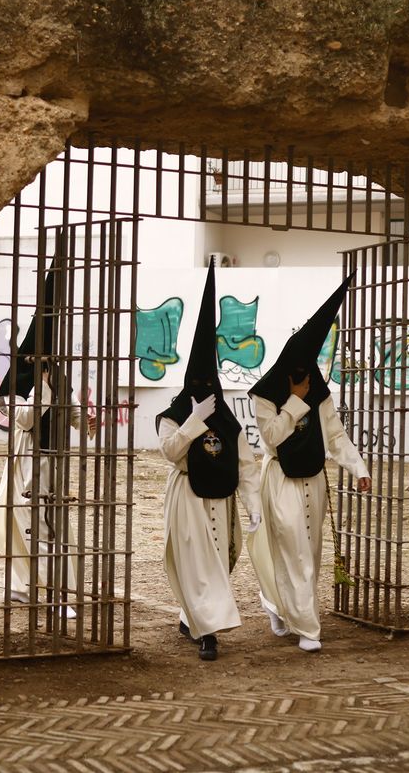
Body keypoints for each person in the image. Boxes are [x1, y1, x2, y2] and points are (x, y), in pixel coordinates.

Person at [249, 273, 371, 652]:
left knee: (310, 553)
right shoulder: (266, 395)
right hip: (280, 480)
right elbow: (272, 437)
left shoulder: (319, 394)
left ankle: (278, 605)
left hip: (313, 482)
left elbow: (335, 437)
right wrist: (295, 401)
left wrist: (359, 468)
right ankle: (308, 628)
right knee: (292, 549)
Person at [157, 260, 261, 661]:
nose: (202, 394)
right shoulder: (173, 414)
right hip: (188, 499)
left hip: (222, 502)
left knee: (219, 562)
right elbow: (169, 452)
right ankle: (209, 633)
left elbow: (247, 465)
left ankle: (193, 615)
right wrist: (193, 423)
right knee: (197, 564)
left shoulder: (228, 421)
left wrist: (253, 507)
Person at [0, 250, 89, 619]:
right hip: (29, 461)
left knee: (50, 525)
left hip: (55, 459)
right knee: (31, 525)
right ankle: (39, 591)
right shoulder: (19, 381)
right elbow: (24, 420)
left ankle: (38, 587)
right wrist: (43, 390)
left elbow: (72, 410)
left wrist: (84, 420)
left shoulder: (55, 374)